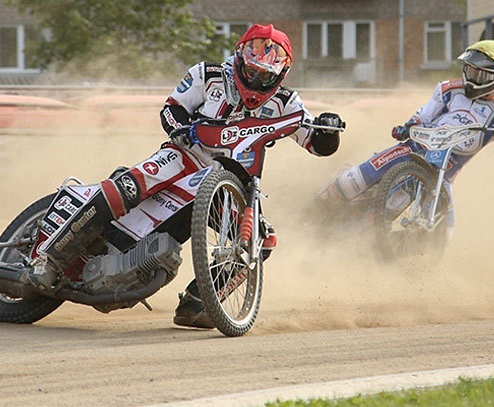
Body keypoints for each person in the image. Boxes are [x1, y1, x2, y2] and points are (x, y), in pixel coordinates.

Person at [23, 24, 344, 328]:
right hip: (184, 155)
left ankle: (199, 301)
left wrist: (329, 131)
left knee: (262, 240)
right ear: (240, 57)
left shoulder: (287, 103)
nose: (255, 80)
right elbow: (171, 108)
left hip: (230, 183)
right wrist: (181, 130)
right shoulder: (208, 74)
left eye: (264, 76)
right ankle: (49, 258)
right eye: (250, 70)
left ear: (280, 75)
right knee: (130, 184)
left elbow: (315, 141)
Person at [317, 40, 494, 245]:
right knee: (353, 179)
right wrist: (407, 126)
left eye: (482, 74)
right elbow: (424, 115)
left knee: (441, 234)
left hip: (442, 173)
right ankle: (312, 211)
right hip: (414, 147)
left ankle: (366, 248)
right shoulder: (449, 88)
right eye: (470, 70)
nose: (474, 78)